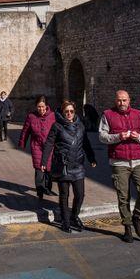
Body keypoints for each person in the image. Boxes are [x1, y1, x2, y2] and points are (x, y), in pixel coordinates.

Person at [99, 89, 140, 243]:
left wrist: (139, 137)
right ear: (115, 101)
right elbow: (102, 136)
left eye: (124, 100)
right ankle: (127, 227)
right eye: (119, 100)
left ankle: (137, 217)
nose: (122, 103)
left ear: (129, 100)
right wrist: (117, 136)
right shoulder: (108, 115)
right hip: (119, 162)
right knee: (123, 197)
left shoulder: (138, 114)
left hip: (138, 160)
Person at [42, 100, 97, 233]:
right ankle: (65, 221)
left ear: (75, 112)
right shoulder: (57, 126)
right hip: (63, 165)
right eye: (66, 111)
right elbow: (49, 144)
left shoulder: (80, 125)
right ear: (62, 112)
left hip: (77, 165)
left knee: (80, 194)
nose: (69, 114)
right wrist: (44, 162)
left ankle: (74, 216)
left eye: (71, 111)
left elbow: (86, 142)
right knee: (64, 195)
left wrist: (91, 158)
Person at [18, 95, 57, 202]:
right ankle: (40, 190)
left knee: (48, 169)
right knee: (39, 169)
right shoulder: (31, 116)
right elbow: (25, 131)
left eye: (43, 107)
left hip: (50, 147)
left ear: (46, 106)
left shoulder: (53, 116)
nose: (41, 109)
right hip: (37, 146)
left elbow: (59, 131)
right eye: (39, 107)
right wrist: (22, 143)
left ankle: (48, 188)